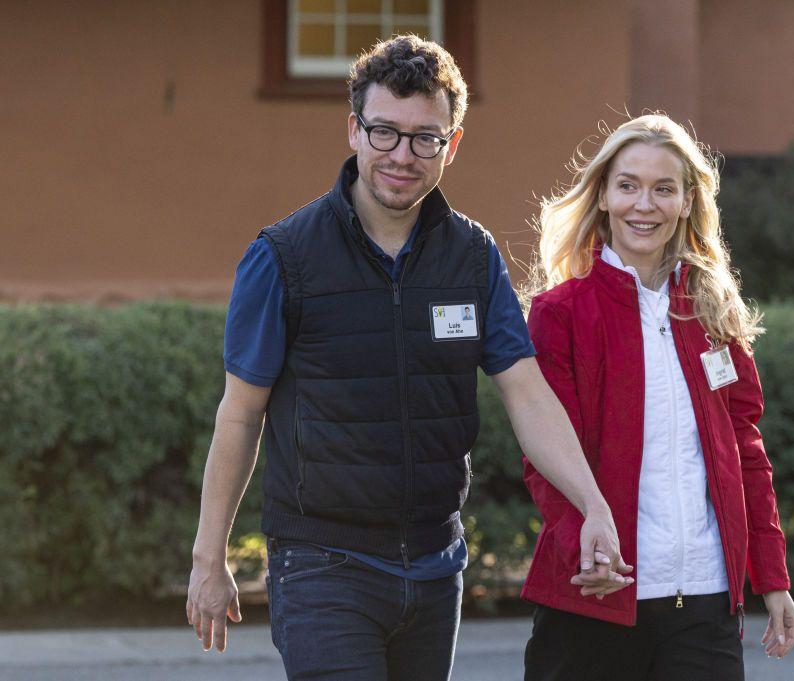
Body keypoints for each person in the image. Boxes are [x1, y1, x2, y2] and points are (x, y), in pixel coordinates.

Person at [185, 35, 625, 681]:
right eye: (385, 132)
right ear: (353, 130)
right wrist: (208, 556)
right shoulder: (283, 255)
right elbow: (241, 414)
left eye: (426, 138)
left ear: (453, 143)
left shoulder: (471, 256)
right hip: (322, 563)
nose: (403, 155)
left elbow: (526, 391)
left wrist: (593, 505)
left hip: (435, 562)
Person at [520, 114, 794, 681]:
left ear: (686, 201)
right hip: (598, 594)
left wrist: (772, 580)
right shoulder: (561, 313)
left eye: (663, 188)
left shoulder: (713, 314)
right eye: (628, 185)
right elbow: (545, 455)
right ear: (602, 195)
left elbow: (747, 454)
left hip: (704, 600)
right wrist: (585, 554)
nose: (643, 205)